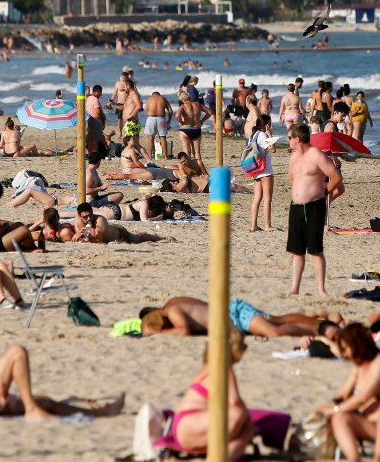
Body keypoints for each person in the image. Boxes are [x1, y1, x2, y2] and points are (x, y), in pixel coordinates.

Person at [318, 324, 380, 462]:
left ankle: (378, 458)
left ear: (357, 345)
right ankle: (354, 459)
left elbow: (364, 397)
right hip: (372, 424)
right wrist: (328, 409)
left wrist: (334, 409)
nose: (345, 354)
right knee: (339, 418)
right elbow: (342, 395)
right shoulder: (359, 367)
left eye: (345, 349)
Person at [164, 330, 255, 460]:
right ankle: (226, 457)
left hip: (183, 425)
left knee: (247, 426)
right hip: (189, 424)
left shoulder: (208, 366)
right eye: (243, 345)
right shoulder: (224, 369)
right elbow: (234, 401)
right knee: (239, 414)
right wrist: (245, 414)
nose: (245, 348)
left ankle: (225, 457)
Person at [285, 123, 343, 297]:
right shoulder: (294, 156)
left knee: (316, 250)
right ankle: (295, 288)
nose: (288, 141)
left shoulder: (316, 155)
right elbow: (292, 178)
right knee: (297, 251)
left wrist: (324, 192)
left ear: (297, 139)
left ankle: (321, 289)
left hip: (314, 206)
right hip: (296, 206)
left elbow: (335, 177)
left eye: (289, 138)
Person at [139, 297, 337, 338]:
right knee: (278, 319)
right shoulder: (174, 302)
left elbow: (183, 330)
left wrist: (159, 334)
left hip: (234, 315)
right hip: (233, 309)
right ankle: (314, 318)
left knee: (274, 331)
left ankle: (320, 330)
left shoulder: (172, 311)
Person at [74, 202, 165, 244]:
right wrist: (78, 234)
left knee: (137, 238)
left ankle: (158, 237)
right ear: (80, 216)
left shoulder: (100, 220)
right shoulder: (77, 220)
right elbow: (79, 237)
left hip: (119, 233)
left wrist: (88, 237)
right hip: (111, 233)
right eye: (85, 217)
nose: (89, 218)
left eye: (90, 215)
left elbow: (100, 240)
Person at [248, 114, 275, 232]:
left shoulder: (253, 135)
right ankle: (267, 225)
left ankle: (253, 225)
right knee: (267, 198)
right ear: (266, 124)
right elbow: (272, 149)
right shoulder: (263, 135)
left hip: (256, 169)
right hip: (265, 169)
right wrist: (270, 135)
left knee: (257, 198)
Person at [144, 90, 173, 159]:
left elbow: (146, 111)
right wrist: (169, 121)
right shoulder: (163, 99)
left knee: (150, 137)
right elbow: (170, 111)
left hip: (151, 118)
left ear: (152, 95)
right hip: (161, 119)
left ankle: (149, 155)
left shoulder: (149, 99)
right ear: (159, 95)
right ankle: (165, 155)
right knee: (162, 137)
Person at [175, 93, 203, 163]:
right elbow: (210, 112)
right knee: (197, 152)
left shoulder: (183, 106)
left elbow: (177, 116)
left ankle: (188, 167)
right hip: (196, 129)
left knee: (187, 151)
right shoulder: (198, 104)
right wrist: (202, 120)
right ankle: (199, 167)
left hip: (186, 129)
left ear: (182, 99)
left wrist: (181, 122)